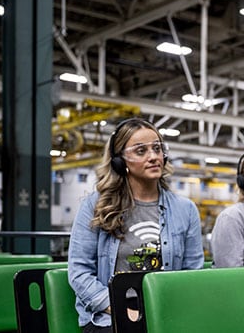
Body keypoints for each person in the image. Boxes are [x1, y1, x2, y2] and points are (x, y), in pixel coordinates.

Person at [67, 118, 204, 333]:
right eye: (141, 151)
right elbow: (79, 271)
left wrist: (166, 312)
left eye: (157, 149)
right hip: (109, 316)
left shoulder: (186, 209)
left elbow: (192, 272)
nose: (153, 157)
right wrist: (119, 309)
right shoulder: (95, 205)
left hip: (165, 312)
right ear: (120, 161)